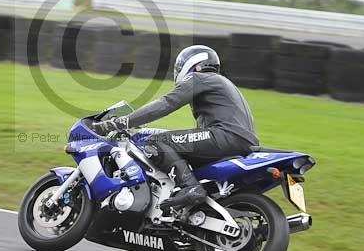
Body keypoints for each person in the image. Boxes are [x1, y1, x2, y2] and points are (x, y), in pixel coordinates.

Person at [92, 45, 259, 212]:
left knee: (156, 142)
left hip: (224, 136)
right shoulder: (223, 83)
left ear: (190, 64)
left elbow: (166, 103)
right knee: (176, 149)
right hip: (242, 142)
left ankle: (190, 187)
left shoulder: (199, 78)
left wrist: (119, 123)